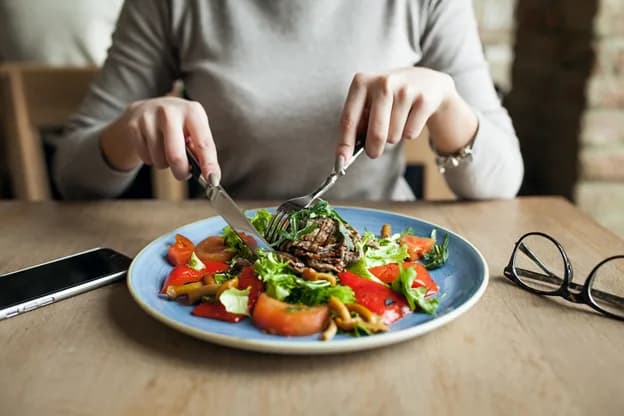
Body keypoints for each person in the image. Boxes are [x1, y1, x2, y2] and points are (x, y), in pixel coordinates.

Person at [53, 0, 523, 201]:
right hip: (231, 258)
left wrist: (446, 104)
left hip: (382, 261)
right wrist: (131, 131)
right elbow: (73, 175)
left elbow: (504, 180)